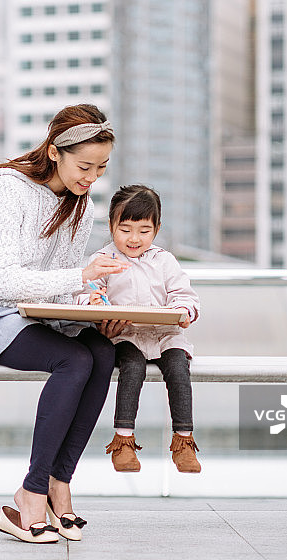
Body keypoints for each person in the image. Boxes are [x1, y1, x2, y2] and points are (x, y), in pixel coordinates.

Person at [0, 104, 129, 544]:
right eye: (84, 166)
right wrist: (82, 276)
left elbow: (59, 289)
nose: (91, 178)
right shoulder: (6, 188)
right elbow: (3, 281)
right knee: (73, 361)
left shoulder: (79, 207)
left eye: (101, 168)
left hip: (35, 315)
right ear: (54, 152)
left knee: (102, 353)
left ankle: (59, 483)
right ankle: (30, 493)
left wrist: (92, 301)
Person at [79, 185, 202, 474]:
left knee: (178, 367)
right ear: (110, 226)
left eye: (143, 231)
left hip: (164, 335)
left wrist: (183, 313)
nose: (134, 239)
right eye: (125, 229)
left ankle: (184, 440)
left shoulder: (165, 261)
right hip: (124, 335)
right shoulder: (102, 261)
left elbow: (185, 296)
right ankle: (123, 440)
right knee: (132, 368)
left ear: (156, 229)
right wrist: (93, 304)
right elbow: (84, 293)